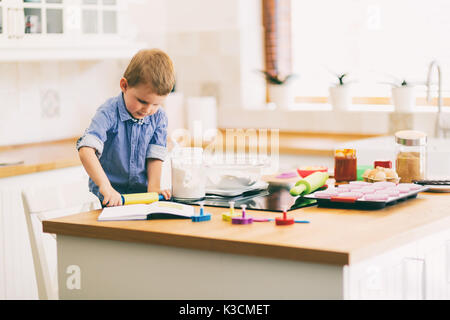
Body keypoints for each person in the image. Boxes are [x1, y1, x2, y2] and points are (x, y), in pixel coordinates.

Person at [76, 49, 175, 207]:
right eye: (142, 101)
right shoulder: (108, 112)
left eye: (156, 104)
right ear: (124, 85)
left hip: (141, 201)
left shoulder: (159, 117)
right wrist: (106, 187)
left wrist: (154, 188)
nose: (148, 110)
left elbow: (155, 155)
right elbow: (86, 150)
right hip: (108, 200)